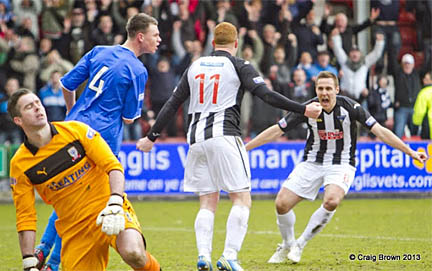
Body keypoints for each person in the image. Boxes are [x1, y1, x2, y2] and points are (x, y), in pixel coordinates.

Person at [136, 22, 322, 271]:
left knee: (207, 202)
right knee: (242, 199)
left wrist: (152, 137)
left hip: (197, 140)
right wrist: (303, 109)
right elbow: (266, 95)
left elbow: (173, 103)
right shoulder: (239, 65)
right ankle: (229, 256)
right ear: (236, 44)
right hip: (225, 136)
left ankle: (203, 256)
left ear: (213, 44)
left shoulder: (196, 65)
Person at [244, 71, 427, 265]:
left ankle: (300, 244)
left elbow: (380, 131)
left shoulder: (350, 107)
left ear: (336, 90)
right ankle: (288, 244)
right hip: (312, 161)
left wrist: (411, 152)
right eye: (320, 89)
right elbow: (276, 130)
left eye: (329, 89)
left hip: (342, 162)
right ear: (316, 90)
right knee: (281, 204)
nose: (324, 93)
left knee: (331, 200)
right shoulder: (308, 108)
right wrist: (244, 148)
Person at [34, 13, 162, 270]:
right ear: (140, 37)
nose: (159, 39)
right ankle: (55, 263)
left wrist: (73, 115)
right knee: (82, 202)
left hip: (71, 130)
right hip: (100, 140)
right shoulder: (137, 69)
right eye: (155, 35)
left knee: (69, 195)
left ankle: (42, 250)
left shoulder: (98, 51)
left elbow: (67, 84)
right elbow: (128, 118)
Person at [8, 89, 161, 271]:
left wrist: (115, 203)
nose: (37, 108)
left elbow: (113, 166)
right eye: (28, 107)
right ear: (18, 120)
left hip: (108, 208)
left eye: (37, 103)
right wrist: (28, 262)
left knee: (133, 252)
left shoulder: (76, 131)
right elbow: (25, 216)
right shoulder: (20, 164)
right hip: (75, 228)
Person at [413, 72, 432, 139]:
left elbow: (419, 111)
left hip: (428, 126)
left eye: (426, 79)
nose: (423, 80)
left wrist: (415, 124)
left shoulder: (424, 93)